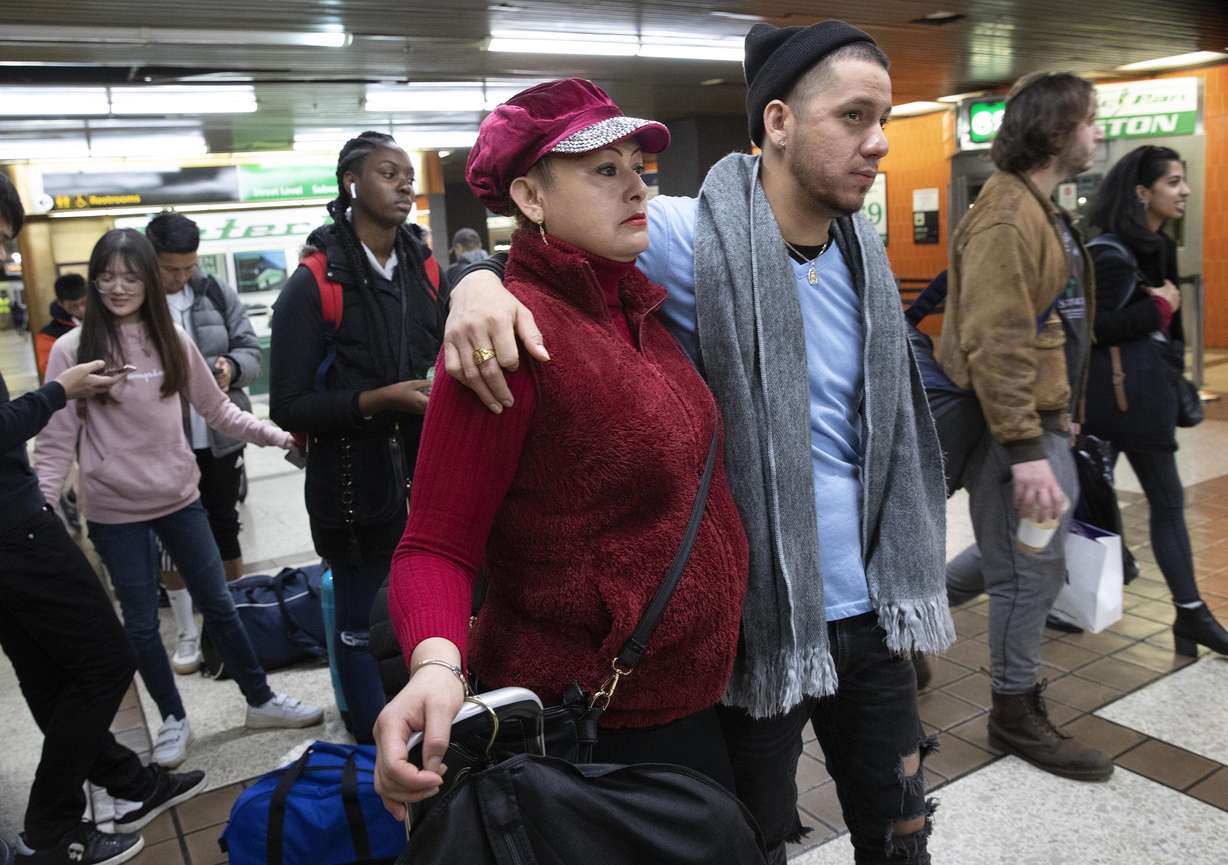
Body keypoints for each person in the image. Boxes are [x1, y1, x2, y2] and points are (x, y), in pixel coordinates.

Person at [433, 22, 953, 865]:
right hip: (763, 620)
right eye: (853, 117)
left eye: (884, 118)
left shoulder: (863, 251)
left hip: (875, 607)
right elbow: (554, 250)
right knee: (750, 837)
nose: (879, 142)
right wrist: (472, 281)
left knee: (901, 833)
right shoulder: (688, 235)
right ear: (778, 122)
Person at [373, 74, 750, 811]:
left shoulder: (639, 312)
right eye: (603, 170)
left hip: (700, 697)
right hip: (602, 726)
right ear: (531, 198)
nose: (636, 187)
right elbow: (436, 545)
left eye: (637, 167)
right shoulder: (508, 339)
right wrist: (436, 667)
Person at [35, 228, 323, 771]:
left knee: (219, 603)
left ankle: (260, 701)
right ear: (94, 280)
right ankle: (173, 717)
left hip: (179, 500)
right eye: (107, 275)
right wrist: (42, 513)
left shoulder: (170, 338)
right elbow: (53, 443)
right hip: (115, 513)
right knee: (142, 624)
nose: (118, 286)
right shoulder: (76, 349)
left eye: (130, 275)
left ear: (148, 278)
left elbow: (219, 411)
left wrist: (278, 435)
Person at [0, 174, 206, 865]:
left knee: (46, 671)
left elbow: (209, 401)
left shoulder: (169, 336)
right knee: (107, 654)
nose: (4, 254)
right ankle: (49, 829)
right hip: (15, 524)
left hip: (33, 518)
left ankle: (131, 780)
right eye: (2, 239)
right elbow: (35, 435)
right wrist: (61, 394)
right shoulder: (72, 350)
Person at [936, 71, 1113, 781]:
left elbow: (1054, 327)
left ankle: (902, 629)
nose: (1098, 133)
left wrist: (1062, 410)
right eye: (1090, 120)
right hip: (1017, 431)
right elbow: (998, 337)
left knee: (1028, 553)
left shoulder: (1041, 209)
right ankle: (1014, 710)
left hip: (1040, 421)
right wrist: (1025, 446)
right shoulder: (1008, 215)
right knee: (1029, 573)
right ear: (1056, 128)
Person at [269, 132, 447, 744]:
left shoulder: (424, 267)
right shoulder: (315, 283)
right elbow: (289, 404)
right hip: (353, 491)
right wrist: (381, 400)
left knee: (427, 609)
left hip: (425, 478)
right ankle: (373, 741)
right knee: (360, 624)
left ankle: (432, 723)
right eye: (387, 173)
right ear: (351, 182)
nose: (404, 185)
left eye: (408, 174)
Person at [1084, 145, 1228, 655]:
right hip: (1110, 403)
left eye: (1183, 180)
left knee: (1166, 502)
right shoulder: (1109, 250)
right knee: (1075, 509)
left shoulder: (1160, 245)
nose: (1183, 190)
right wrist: (1160, 308)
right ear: (1142, 192)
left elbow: (1171, 335)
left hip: (1145, 401)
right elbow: (1094, 328)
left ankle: (1190, 612)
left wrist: (1173, 374)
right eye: (1172, 182)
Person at [144, 211, 262, 676]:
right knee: (170, 538)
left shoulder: (214, 292)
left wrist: (231, 367)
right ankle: (188, 632)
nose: (180, 277)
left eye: (187, 267)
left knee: (224, 522)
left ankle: (234, 618)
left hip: (218, 437)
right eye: (170, 269)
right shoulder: (137, 303)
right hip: (163, 441)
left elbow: (249, 348)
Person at [35, 274, 87, 382]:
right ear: (60, 304)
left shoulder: (107, 318)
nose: (81, 310)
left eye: (84, 303)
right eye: (73, 306)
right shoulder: (47, 335)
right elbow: (51, 370)